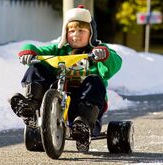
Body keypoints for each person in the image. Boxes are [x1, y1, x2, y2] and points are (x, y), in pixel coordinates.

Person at [9, 5, 122, 151]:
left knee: (94, 80)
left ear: (91, 33)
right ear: (65, 33)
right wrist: (28, 51)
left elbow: (114, 64)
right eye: (71, 30)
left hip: (85, 105)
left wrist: (104, 55)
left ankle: (83, 126)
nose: (76, 34)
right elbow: (36, 48)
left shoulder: (97, 51)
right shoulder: (58, 50)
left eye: (81, 30)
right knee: (37, 67)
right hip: (56, 101)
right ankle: (30, 105)